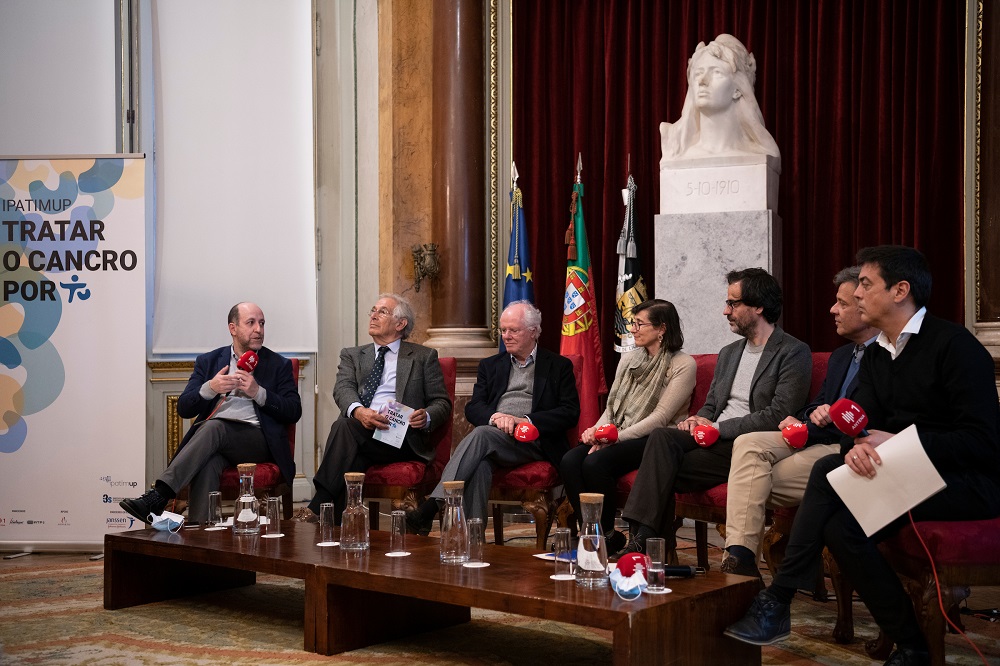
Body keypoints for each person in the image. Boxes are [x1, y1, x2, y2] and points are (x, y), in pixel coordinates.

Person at [724, 246, 1000, 666]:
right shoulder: (875, 355)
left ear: (900, 290)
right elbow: (862, 425)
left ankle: (777, 599)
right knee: (838, 522)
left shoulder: (954, 345)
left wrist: (900, 442)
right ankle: (911, 644)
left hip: (963, 480)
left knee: (824, 474)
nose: (855, 297)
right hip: (902, 472)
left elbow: (982, 442)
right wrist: (858, 447)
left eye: (866, 286)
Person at [616, 268, 811, 558]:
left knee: (663, 470)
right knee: (662, 438)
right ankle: (646, 542)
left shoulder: (793, 352)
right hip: (711, 436)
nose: (725, 311)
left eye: (733, 304)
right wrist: (699, 418)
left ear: (758, 306)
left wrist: (719, 428)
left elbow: (777, 414)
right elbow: (712, 404)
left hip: (747, 445)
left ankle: (644, 544)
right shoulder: (730, 352)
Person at [720, 266, 879, 580]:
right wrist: (807, 415)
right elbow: (819, 402)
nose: (833, 309)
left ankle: (743, 561)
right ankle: (740, 556)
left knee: (752, 480)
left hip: (848, 445)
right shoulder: (842, 355)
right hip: (814, 435)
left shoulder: (888, 355)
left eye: (843, 304)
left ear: (866, 308)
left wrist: (834, 416)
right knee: (747, 443)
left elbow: (882, 414)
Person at [120, 302, 302, 524]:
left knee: (215, 426)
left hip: (257, 439)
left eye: (262, 324)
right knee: (209, 461)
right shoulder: (208, 361)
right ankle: (201, 535)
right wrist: (211, 388)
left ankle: (160, 495)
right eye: (251, 323)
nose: (259, 330)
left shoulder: (277, 364)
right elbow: (185, 407)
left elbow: (293, 411)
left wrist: (258, 392)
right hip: (215, 440)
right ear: (232, 328)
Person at [407, 300, 580, 532]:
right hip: (497, 437)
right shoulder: (491, 365)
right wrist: (496, 417)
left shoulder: (558, 366)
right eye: (503, 330)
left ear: (533, 331)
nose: (506, 336)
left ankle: (432, 506)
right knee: (480, 465)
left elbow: (569, 412)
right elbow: (473, 407)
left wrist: (526, 421)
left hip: (535, 442)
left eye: (513, 330)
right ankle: (473, 542)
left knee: (481, 435)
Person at [292, 293, 451, 522]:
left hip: (401, 437)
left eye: (382, 312)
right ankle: (335, 527)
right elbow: (343, 389)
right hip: (362, 432)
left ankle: (318, 506)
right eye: (373, 310)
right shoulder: (353, 355)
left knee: (344, 428)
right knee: (350, 443)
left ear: (400, 324)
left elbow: (442, 403)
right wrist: (359, 411)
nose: (374, 316)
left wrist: (426, 416)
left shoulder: (423, 356)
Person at [559, 299, 696, 554]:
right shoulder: (630, 358)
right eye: (632, 322)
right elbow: (612, 409)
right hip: (618, 431)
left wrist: (613, 438)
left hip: (656, 438)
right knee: (569, 460)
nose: (632, 329)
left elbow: (660, 416)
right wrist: (595, 432)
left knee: (595, 463)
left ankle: (606, 533)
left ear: (661, 328)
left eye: (639, 323)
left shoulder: (682, 364)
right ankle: (595, 534)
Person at [660, 33, 781, 170]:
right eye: (698, 73)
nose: (702, 81)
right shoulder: (674, 151)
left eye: (716, 72)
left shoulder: (760, 156)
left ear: (738, 89)